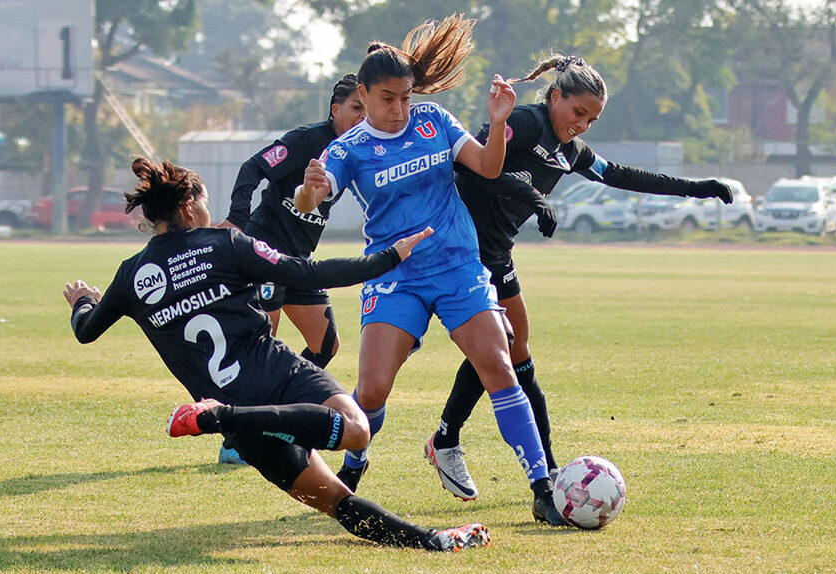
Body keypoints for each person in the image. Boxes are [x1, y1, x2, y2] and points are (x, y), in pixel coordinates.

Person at [63, 157, 489, 552]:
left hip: (240, 416)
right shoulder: (224, 243)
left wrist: (83, 301)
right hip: (279, 373)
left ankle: (220, 419)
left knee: (340, 502)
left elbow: (86, 330)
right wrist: (387, 258)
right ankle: (431, 540)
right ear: (190, 206)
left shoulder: (131, 275)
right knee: (356, 432)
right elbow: (307, 272)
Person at [423, 54, 733, 500]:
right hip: (462, 245)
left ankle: (483, 451)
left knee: (515, 349)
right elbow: (472, 165)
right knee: (503, 348)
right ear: (555, 97)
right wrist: (531, 195)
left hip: (497, 251)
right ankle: (518, 463)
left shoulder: (571, 152)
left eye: (592, 119)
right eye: (578, 112)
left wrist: (695, 187)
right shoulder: (525, 122)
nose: (582, 124)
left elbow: (623, 175)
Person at [296, 15, 567, 526]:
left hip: (458, 266)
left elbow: (488, 167)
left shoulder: (434, 120)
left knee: (500, 367)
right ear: (364, 94)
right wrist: (309, 189)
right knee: (373, 390)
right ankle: (352, 470)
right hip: (395, 274)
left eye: (405, 97)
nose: (399, 109)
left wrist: (501, 121)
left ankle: (541, 488)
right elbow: (316, 193)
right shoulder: (349, 147)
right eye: (387, 99)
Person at [212, 74, 365, 465]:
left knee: (325, 344)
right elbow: (253, 167)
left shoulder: (355, 152)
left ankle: (282, 412)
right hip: (265, 251)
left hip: (298, 264)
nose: (364, 116)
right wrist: (236, 219)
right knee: (261, 348)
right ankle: (235, 438)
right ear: (335, 110)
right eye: (356, 108)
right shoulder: (305, 141)